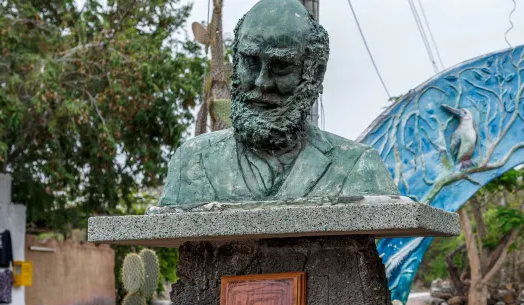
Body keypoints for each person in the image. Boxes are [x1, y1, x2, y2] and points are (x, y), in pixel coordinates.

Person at [158, 0, 398, 207]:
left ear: (314, 73)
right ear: (236, 63)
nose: (262, 82)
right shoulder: (191, 163)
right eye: (251, 62)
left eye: (281, 66)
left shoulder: (358, 167)